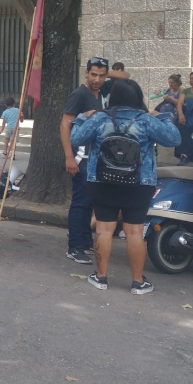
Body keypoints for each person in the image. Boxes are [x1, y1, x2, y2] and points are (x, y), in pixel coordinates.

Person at [71, 80, 181, 295]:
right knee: (134, 232)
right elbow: (174, 139)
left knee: (103, 229)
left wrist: (82, 117)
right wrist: (165, 116)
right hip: (139, 184)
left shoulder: (100, 119)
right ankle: (138, 282)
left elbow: (76, 137)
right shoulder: (146, 120)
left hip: (102, 181)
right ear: (138, 98)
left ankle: (101, 277)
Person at [61, 57, 108, 264]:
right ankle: (75, 246)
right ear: (86, 73)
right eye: (94, 74)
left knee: (89, 202)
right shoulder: (79, 94)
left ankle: (84, 241)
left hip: (95, 158)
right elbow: (65, 125)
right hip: (80, 158)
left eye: (102, 75)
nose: (97, 79)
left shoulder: (100, 94)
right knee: (80, 203)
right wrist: (69, 157)